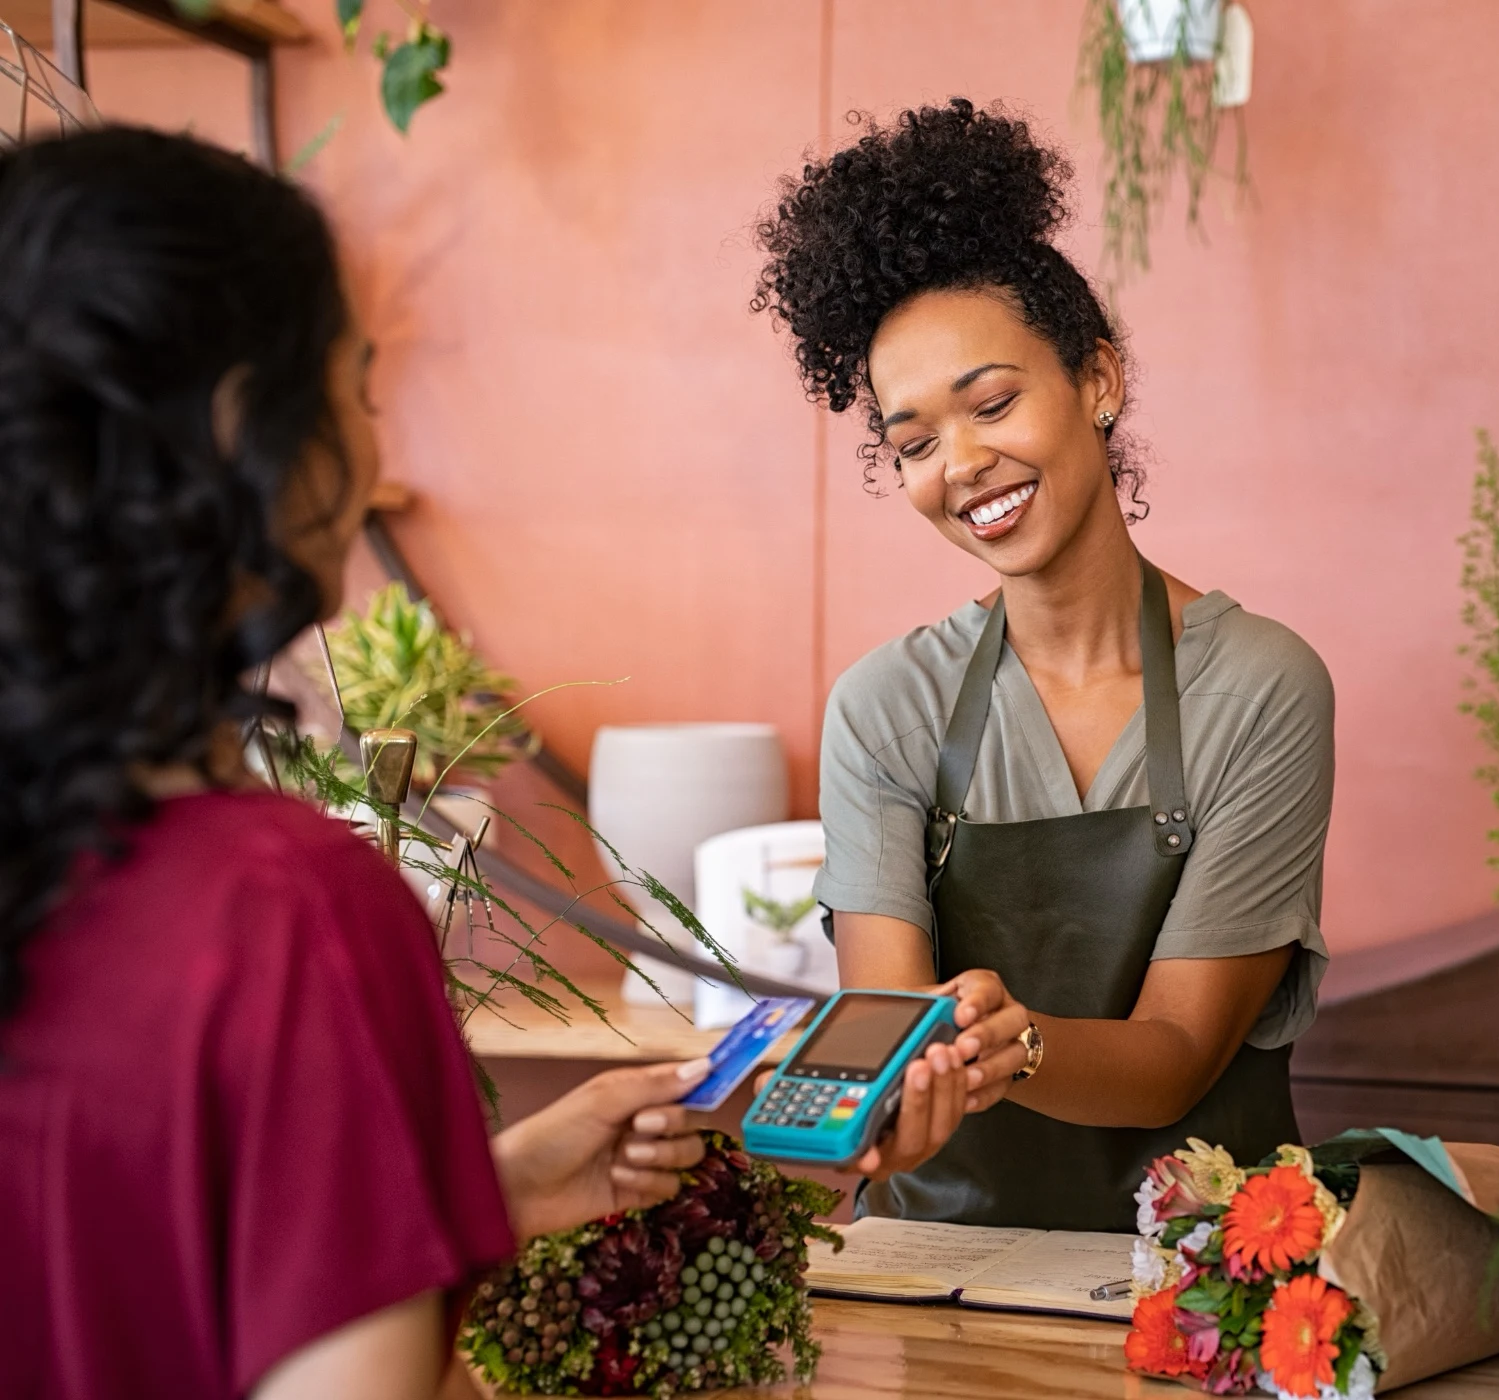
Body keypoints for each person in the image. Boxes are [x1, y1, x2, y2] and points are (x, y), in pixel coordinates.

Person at [0, 127, 995, 1400]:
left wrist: (493, 1188)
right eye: (358, 389)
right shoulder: (287, 909)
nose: (368, 447)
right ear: (252, 428)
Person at [754, 99, 1335, 1231]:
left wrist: (1005, 1039)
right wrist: (891, 1094)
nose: (962, 463)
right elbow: (885, 1024)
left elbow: (1176, 1053)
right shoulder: (886, 706)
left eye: (994, 401)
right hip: (944, 1276)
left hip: (1209, 1274)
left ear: (1099, 382)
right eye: (914, 442)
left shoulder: (1263, 686)